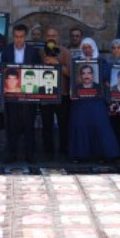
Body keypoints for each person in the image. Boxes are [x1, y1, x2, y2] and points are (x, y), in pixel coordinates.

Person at [68, 38, 120, 162]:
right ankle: (80, 155)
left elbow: (107, 77)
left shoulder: (102, 62)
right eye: (84, 47)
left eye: (89, 47)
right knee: (80, 125)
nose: (87, 50)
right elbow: (73, 79)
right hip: (80, 101)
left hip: (96, 101)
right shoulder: (76, 61)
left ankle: (106, 154)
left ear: (94, 48)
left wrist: (93, 63)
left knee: (101, 125)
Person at [0, 24, 40, 162]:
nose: (18, 39)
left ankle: (30, 155)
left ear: (25, 36)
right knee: (12, 125)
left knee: (29, 124)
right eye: (16, 36)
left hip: (29, 94)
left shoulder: (33, 52)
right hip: (11, 94)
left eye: (21, 36)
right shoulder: (6, 51)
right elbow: (2, 69)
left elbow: (38, 71)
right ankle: (12, 154)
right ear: (13, 36)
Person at [39, 27, 71, 158]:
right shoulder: (41, 53)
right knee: (47, 124)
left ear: (58, 37)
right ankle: (48, 152)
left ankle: (64, 150)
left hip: (62, 94)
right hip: (45, 95)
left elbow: (70, 73)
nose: (51, 38)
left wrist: (56, 63)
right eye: (48, 36)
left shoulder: (65, 52)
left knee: (63, 124)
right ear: (45, 38)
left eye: (54, 35)